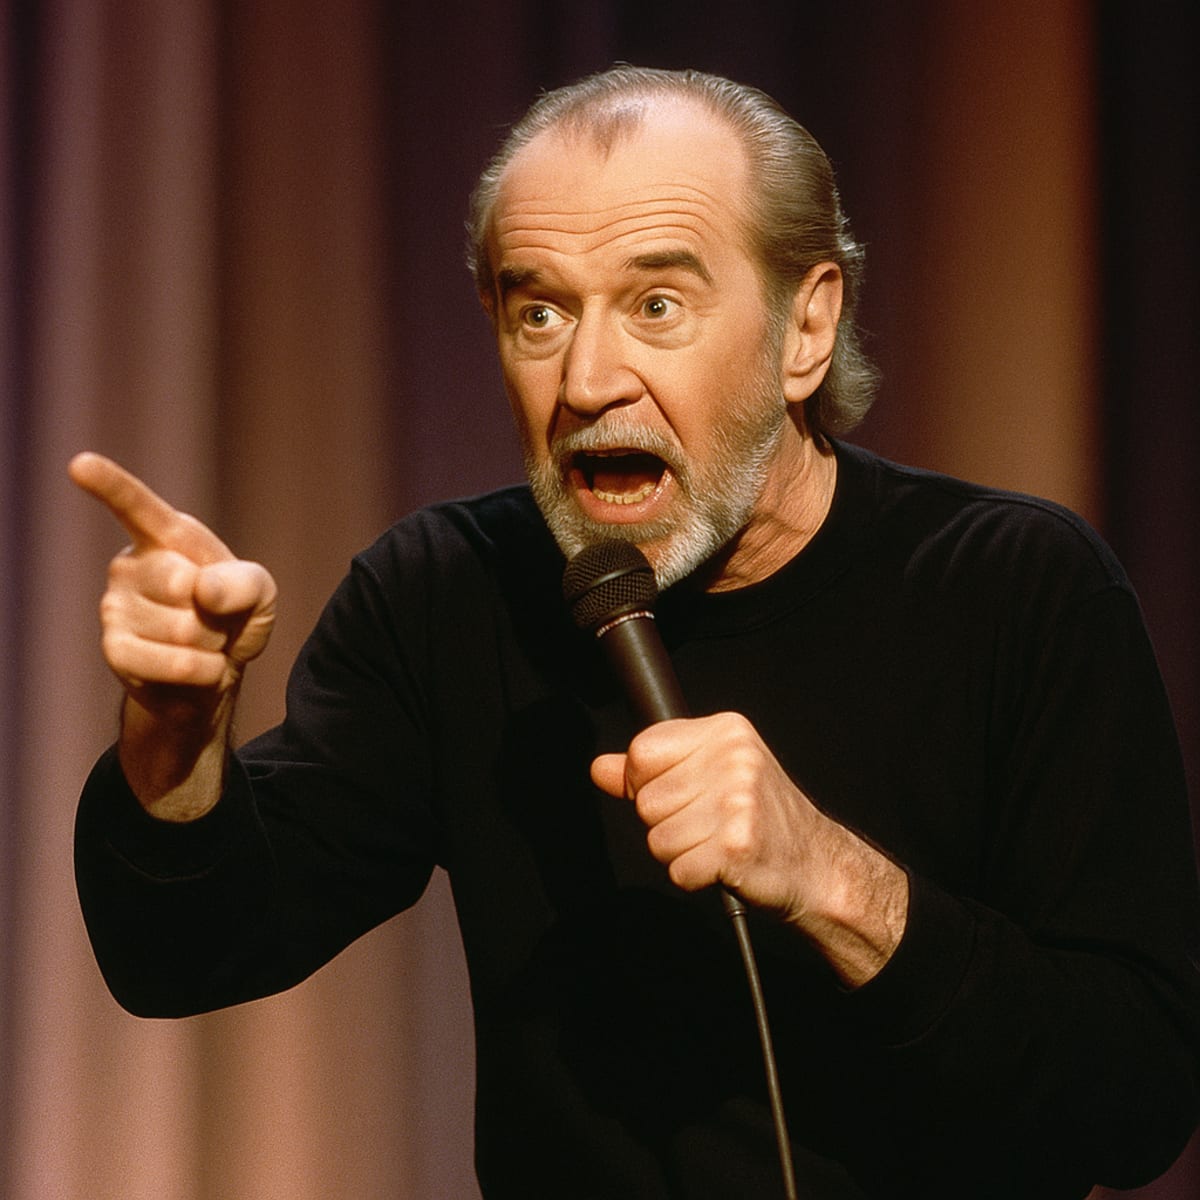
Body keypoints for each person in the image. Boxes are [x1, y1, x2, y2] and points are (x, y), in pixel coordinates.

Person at [70, 66, 1200, 1198]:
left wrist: (831, 877)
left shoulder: (1016, 588)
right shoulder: (449, 592)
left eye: (657, 306)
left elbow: (1139, 1096)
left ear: (806, 328)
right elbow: (181, 953)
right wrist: (175, 730)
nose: (587, 379)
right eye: (540, 313)